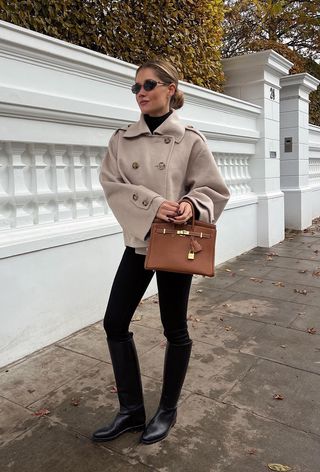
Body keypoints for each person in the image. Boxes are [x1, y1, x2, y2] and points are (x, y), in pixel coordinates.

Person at [92, 59, 230, 445]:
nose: (141, 92)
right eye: (135, 86)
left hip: (176, 243)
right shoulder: (120, 140)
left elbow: (213, 189)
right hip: (139, 243)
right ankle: (131, 411)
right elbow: (112, 184)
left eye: (150, 84)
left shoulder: (190, 139)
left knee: (175, 328)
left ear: (171, 88)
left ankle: (167, 409)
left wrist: (190, 204)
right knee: (114, 322)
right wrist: (154, 203)